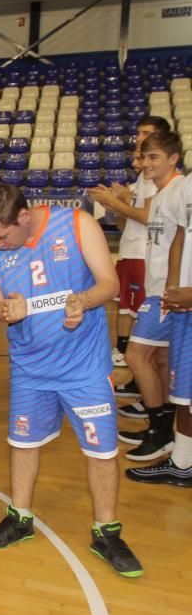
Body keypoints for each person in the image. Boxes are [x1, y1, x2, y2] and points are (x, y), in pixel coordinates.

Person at [0, 182, 143, 578]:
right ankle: (20, 517)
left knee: (101, 451)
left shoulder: (78, 224)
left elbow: (109, 284)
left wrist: (82, 301)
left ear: (24, 218)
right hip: (30, 368)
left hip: (83, 368)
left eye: (3, 237)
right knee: (23, 443)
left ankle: (106, 532)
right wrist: (5, 310)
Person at [88, 115, 170, 379]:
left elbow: (149, 217)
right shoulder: (142, 179)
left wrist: (117, 201)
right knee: (127, 308)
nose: (139, 139)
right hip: (131, 251)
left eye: (146, 133)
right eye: (139, 133)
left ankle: (143, 379)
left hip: (146, 256)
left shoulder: (162, 182)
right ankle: (133, 369)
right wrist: (117, 204)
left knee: (141, 319)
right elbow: (127, 223)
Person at [127, 166, 192, 485]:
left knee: (138, 357)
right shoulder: (178, 190)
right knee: (173, 375)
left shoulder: (178, 187)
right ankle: (177, 453)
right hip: (171, 293)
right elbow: (180, 235)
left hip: (174, 295)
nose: (144, 161)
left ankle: (163, 436)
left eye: (153, 155)